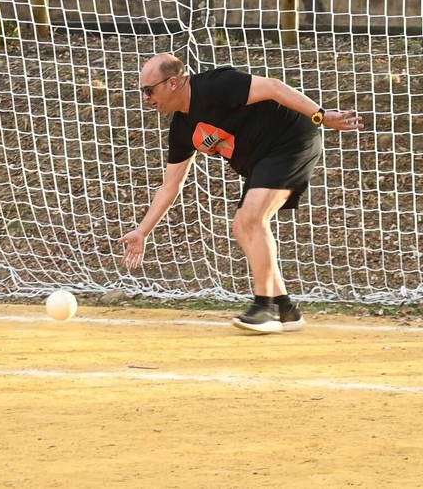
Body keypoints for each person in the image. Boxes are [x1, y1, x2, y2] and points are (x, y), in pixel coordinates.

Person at [121, 54, 361, 333]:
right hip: (262, 161)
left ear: (173, 82)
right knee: (242, 225)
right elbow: (170, 186)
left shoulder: (215, 85)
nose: (145, 97)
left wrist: (320, 115)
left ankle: (265, 308)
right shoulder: (181, 129)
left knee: (250, 220)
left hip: (292, 141)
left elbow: (273, 86)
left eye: (148, 90)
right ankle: (285, 309)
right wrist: (142, 231)